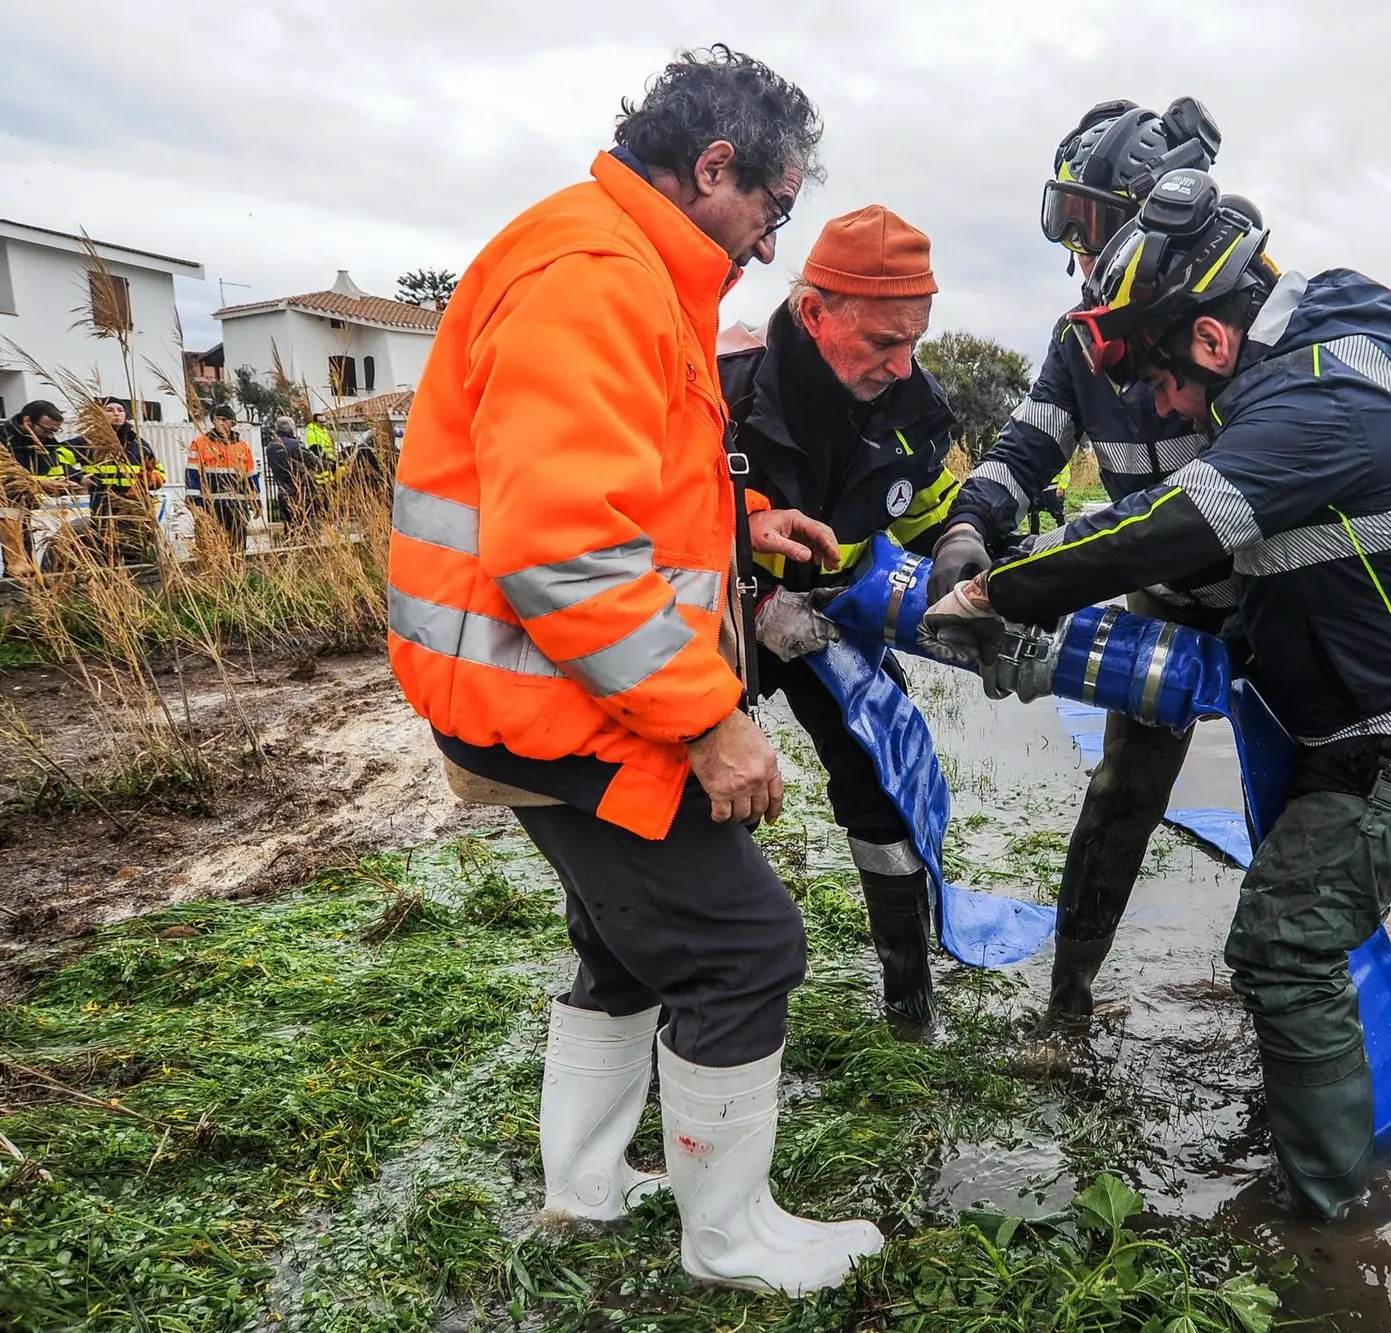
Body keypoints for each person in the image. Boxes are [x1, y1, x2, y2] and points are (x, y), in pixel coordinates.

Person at [922, 169, 1391, 1221]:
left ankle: (1331, 1223)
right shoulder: (1305, 367)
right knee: (1297, 918)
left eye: (1166, 386)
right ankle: (1309, 1113)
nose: (1164, 409)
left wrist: (999, 591)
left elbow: (1175, 523)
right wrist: (1052, 625)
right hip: (1385, 697)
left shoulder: (1316, 396)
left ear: (1213, 346)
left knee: (1285, 933)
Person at [385, 45, 883, 1295]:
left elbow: (616, 491)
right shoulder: (595, 277)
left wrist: (738, 525)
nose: (771, 245)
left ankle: (588, 1187)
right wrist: (712, 721)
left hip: (531, 692)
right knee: (746, 947)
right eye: (770, 210)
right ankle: (731, 1238)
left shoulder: (617, 261)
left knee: (624, 944)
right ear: (712, 167)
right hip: (551, 702)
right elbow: (559, 552)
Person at [926, 98, 1230, 1024]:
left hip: (1275, 594)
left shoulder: (1227, 321)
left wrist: (1031, 577)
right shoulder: (1077, 340)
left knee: (1300, 803)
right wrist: (967, 531)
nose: (1076, 253)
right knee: (1123, 793)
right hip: (1164, 596)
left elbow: (1202, 511)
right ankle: (1067, 1006)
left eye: (1087, 225)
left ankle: (1277, 990)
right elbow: (1024, 452)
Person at [718, 204, 956, 1035]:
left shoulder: (917, 407)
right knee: (697, 797)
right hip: (728, 628)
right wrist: (743, 540)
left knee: (885, 793)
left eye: (914, 342)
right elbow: (647, 512)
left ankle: (909, 1004)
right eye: (882, 344)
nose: (901, 365)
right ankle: (682, 986)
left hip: (830, 628)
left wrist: (964, 542)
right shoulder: (723, 384)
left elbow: (930, 505)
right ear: (813, 311)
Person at [1, 400, 81, 577]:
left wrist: (79, 480)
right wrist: (41, 484)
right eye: (46, 430)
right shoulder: (3, 438)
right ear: (28, 421)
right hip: (6, 507)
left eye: (55, 431)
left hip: (21, 506)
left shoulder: (47, 440)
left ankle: (21, 584)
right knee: (14, 547)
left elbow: (57, 466)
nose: (51, 435)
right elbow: (5, 476)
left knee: (25, 551)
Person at [84, 397, 165, 563]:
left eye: (120, 410)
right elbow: (58, 457)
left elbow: (158, 470)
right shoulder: (87, 443)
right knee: (108, 554)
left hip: (136, 508)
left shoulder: (139, 444)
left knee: (138, 552)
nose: (116, 414)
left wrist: (152, 479)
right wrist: (78, 477)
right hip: (104, 508)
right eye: (110, 410)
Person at [184, 405, 259, 553]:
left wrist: (256, 501)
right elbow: (192, 473)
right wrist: (194, 501)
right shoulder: (200, 444)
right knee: (212, 548)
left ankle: (238, 573)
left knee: (238, 547)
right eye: (219, 420)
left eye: (226, 420)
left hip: (237, 505)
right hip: (210, 505)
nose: (222, 423)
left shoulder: (242, 447)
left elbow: (251, 476)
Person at [265, 414, 321, 529]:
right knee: (306, 527)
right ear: (291, 428)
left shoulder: (270, 447)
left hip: (282, 491)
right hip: (300, 492)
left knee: (290, 527)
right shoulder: (295, 445)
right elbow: (314, 461)